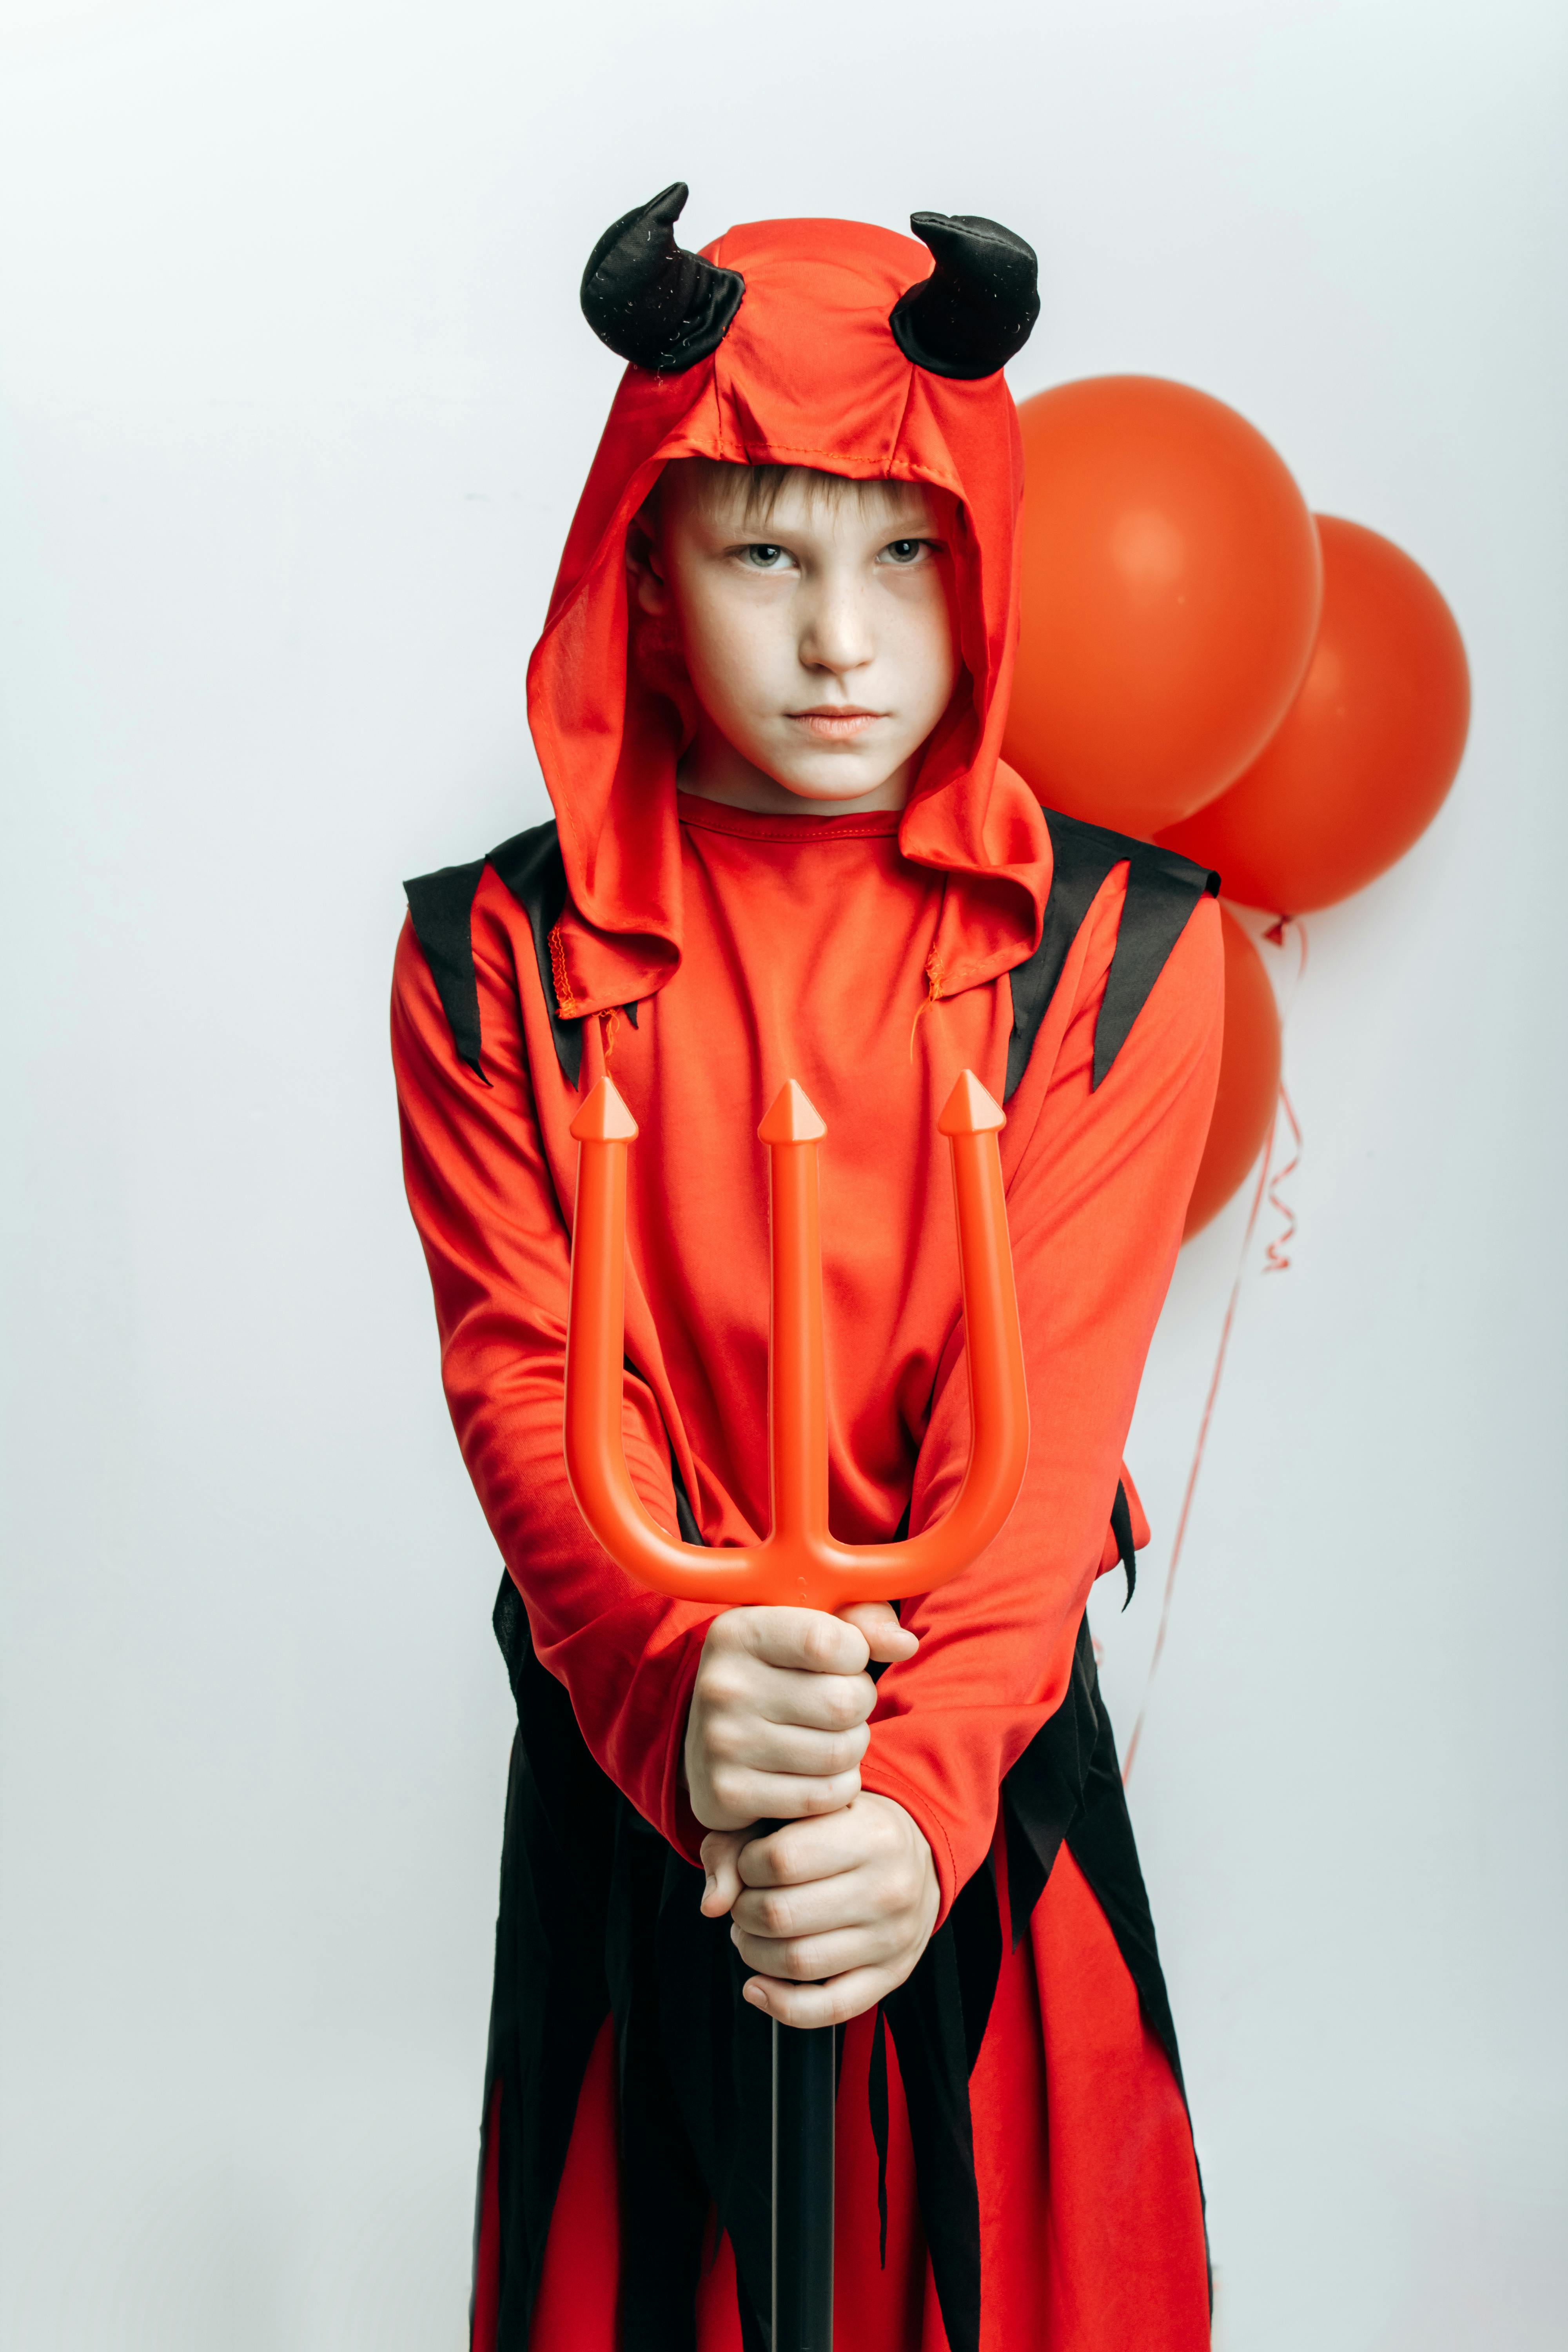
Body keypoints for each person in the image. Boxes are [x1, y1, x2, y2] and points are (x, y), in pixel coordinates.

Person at [392, 186, 1223, 2352]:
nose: (846, 640)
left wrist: (918, 1805)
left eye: (907, 551)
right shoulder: (493, 964)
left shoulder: (1121, 951)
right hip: (651, 1777)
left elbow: (1035, 1479)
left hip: (977, 1779)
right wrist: (685, 1695)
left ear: (990, 559)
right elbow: (528, 1383)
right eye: (769, 552)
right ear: (650, 570)